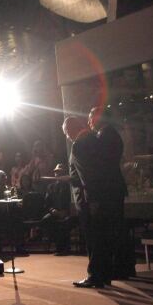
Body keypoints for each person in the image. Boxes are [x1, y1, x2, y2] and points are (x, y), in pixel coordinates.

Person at [63, 115, 111, 288]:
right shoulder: (95, 138)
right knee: (102, 237)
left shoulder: (79, 144)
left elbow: (86, 176)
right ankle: (105, 274)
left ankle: (95, 276)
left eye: (66, 132)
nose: (67, 136)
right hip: (103, 194)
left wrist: (92, 200)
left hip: (87, 198)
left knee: (92, 238)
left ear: (69, 130)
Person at [89, 107, 134, 279]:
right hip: (113, 186)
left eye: (91, 117)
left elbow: (102, 165)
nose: (90, 121)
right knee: (116, 227)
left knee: (113, 228)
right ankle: (124, 266)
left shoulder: (105, 136)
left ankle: (122, 267)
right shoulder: (109, 134)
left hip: (109, 188)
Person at [39, 163, 75, 255]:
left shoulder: (70, 186)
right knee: (45, 220)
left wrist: (66, 211)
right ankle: (55, 244)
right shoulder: (50, 187)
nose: (58, 174)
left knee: (65, 222)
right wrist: (52, 210)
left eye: (60, 173)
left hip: (68, 212)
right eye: (56, 172)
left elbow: (72, 201)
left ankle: (64, 248)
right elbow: (47, 203)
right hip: (55, 212)